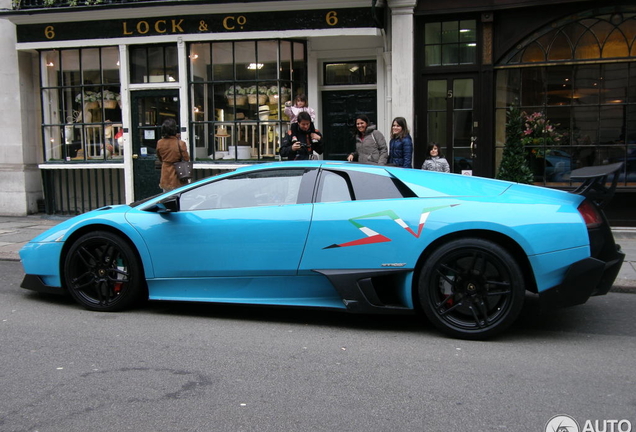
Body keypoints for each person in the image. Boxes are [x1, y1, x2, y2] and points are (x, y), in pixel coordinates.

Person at [156, 118, 190, 192]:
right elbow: (186, 159)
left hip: (165, 174)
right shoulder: (181, 143)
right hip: (178, 174)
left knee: (166, 198)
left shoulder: (160, 142)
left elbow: (160, 157)